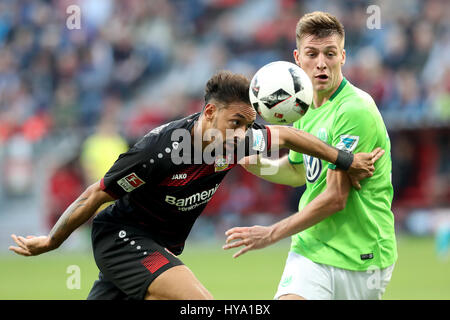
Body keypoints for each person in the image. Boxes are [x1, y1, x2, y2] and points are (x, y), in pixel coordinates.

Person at [9, 70, 382, 300]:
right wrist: (52, 241)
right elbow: (95, 195)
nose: (243, 133)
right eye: (236, 122)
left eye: (248, 124)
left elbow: (287, 137)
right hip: (123, 238)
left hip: (159, 245)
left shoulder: (238, 138)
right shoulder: (160, 150)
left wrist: (345, 160)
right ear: (209, 113)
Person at [224, 12, 397, 300]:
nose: (321, 63)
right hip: (310, 249)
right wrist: (256, 165)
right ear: (297, 57)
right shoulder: (302, 109)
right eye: (312, 53)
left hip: (360, 256)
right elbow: (298, 173)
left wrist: (270, 234)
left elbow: (335, 198)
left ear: (342, 56)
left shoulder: (354, 110)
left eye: (330, 54)